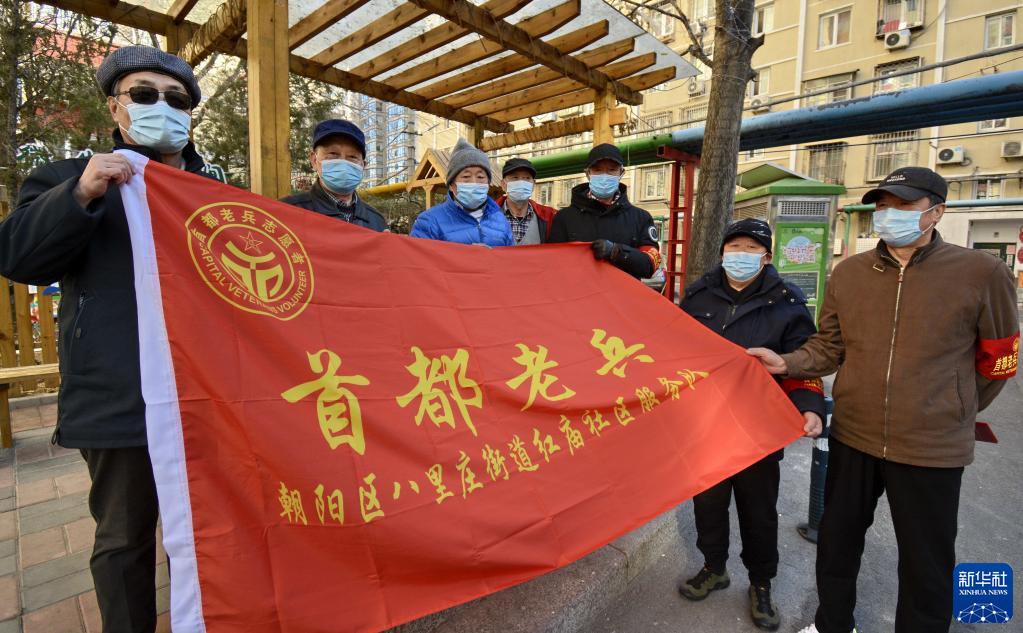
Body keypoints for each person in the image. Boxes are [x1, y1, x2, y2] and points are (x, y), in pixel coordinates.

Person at [746, 167, 1020, 633]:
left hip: (932, 447)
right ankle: (833, 625)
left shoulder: (981, 272)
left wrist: (956, 407)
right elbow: (829, 347)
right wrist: (786, 362)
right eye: (883, 205)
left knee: (926, 562)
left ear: (936, 212)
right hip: (855, 435)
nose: (889, 214)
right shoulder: (850, 273)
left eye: (903, 205)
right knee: (837, 545)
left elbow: (999, 360)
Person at [0, 45, 216, 633]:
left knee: (206, 527)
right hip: (118, 392)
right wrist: (81, 195)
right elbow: (18, 257)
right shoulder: (67, 178)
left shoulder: (212, 191)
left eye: (176, 100)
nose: (160, 107)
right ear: (115, 107)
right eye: (144, 95)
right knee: (124, 536)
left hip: (206, 394)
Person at [678, 219, 825, 632]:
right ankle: (714, 567)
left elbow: (803, 363)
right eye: (734, 247)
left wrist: (810, 405)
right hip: (706, 423)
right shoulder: (698, 295)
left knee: (758, 511)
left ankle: (761, 583)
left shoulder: (787, 302)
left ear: (766, 257)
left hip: (758, 428)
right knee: (708, 504)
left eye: (749, 248)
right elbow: (674, 350)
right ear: (722, 252)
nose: (739, 255)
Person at [547, 143, 661, 278]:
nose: (604, 176)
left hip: (623, 291)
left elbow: (650, 265)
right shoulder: (564, 218)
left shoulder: (641, 218)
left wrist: (616, 252)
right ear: (588, 173)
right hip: (579, 290)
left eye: (612, 170)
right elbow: (553, 264)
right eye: (597, 170)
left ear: (621, 173)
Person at [280, 119, 387, 231]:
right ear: (314, 160)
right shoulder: (286, 214)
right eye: (333, 154)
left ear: (363, 165)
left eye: (352, 157)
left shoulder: (377, 221)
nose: (343, 163)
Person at [410, 138, 513, 246]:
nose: (474, 182)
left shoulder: (500, 220)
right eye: (466, 177)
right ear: (451, 185)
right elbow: (417, 255)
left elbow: (510, 255)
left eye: (480, 177)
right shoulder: (429, 221)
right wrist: (466, 254)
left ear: (488, 183)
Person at [494, 157, 556, 245]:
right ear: (503, 184)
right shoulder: (486, 215)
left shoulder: (550, 217)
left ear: (533, 184)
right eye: (515, 178)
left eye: (527, 178)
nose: (521, 182)